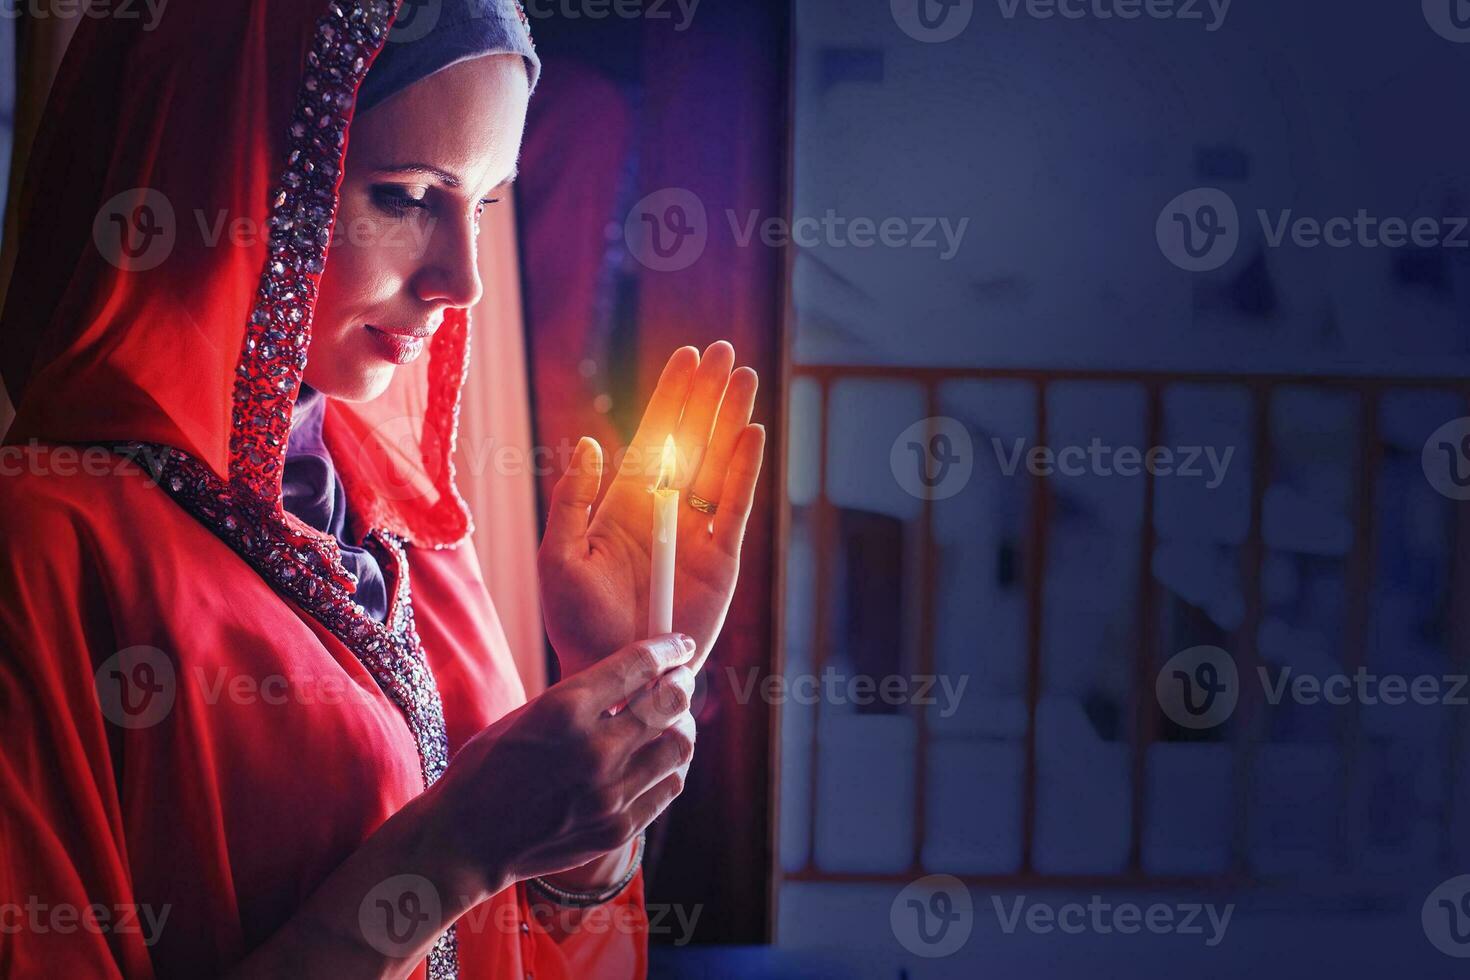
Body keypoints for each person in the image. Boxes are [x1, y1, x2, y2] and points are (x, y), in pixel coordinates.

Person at [0, 2, 764, 977]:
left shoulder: (406, 538)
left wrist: (608, 738)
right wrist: (450, 851)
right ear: (236, 175)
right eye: (405, 195)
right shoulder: (47, 550)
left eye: (486, 202)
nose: (464, 280)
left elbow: (516, 944)